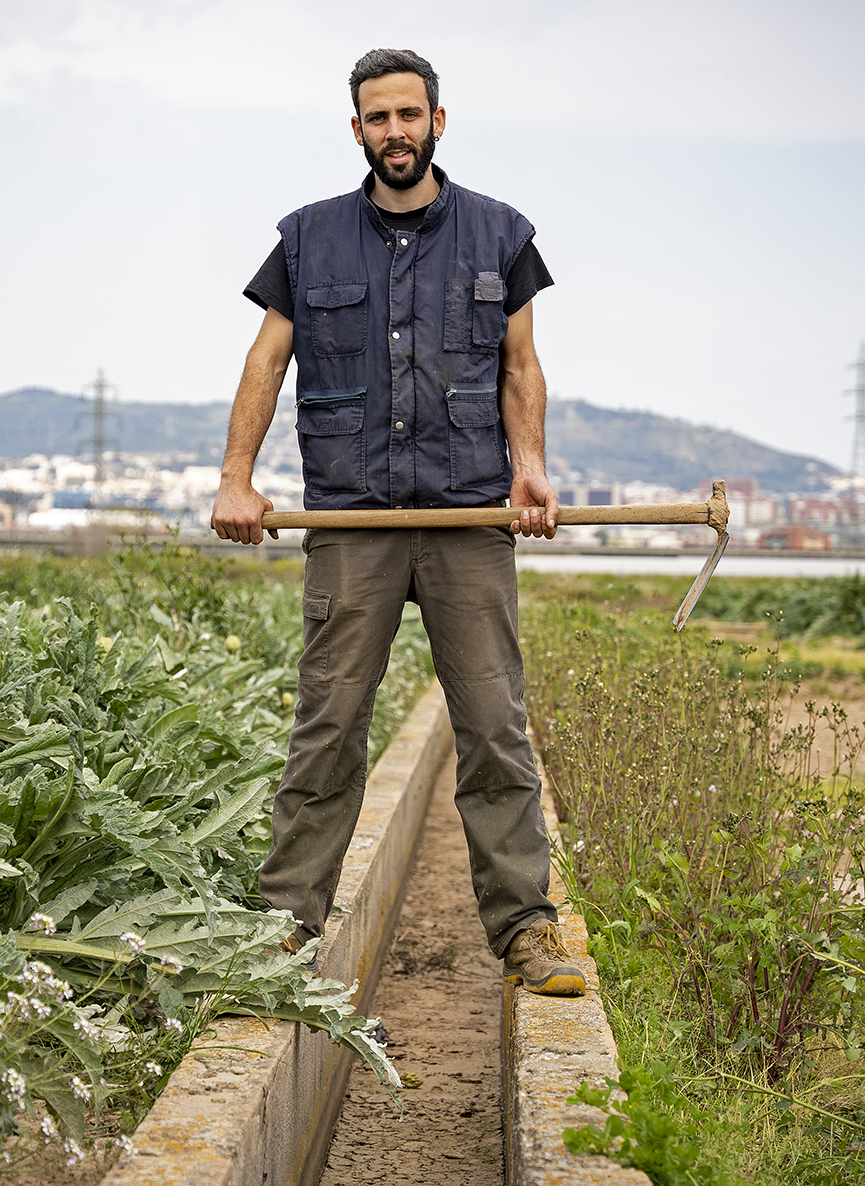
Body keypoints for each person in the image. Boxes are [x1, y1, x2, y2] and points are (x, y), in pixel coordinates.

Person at [209, 48, 584, 996]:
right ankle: (285, 928)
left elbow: (519, 367)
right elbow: (267, 361)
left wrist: (531, 469)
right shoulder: (307, 239)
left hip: (468, 518)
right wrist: (237, 479)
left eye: (409, 116)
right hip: (351, 522)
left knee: (495, 729)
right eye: (378, 120)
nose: (395, 133)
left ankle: (527, 933)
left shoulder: (501, 235)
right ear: (358, 132)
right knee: (328, 727)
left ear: (438, 122)